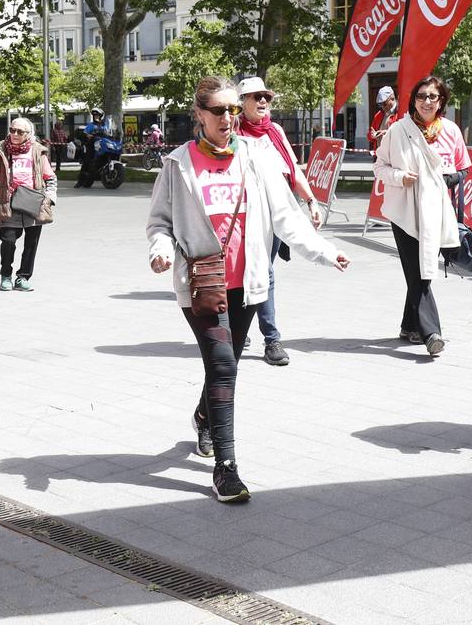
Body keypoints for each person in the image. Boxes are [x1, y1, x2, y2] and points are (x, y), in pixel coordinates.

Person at [147, 75, 350, 502]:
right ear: (199, 114)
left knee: (227, 363)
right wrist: (160, 250)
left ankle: (205, 415)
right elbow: (160, 223)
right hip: (203, 283)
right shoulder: (178, 164)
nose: (228, 118)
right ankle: (226, 468)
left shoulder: (256, 157)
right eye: (218, 110)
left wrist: (324, 251)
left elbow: (286, 217)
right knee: (223, 367)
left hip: (247, 284)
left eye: (233, 110)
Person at [373, 76, 471, 358]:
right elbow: (379, 167)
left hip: (436, 211)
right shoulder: (397, 131)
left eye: (432, 97)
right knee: (419, 271)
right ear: (413, 99)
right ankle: (432, 332)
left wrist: (445, 180)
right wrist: (400, 177)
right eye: (421, 96)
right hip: (404, 211)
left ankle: (409, 326)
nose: (426, 101)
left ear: (441, 101)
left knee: (419, 268)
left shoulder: (451, 131)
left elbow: (464, 168)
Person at [235, 76, 323, 367]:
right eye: (256, 96)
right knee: (245, 270)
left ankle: (271, 340)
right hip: (242, 214)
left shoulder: (275, 132)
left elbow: (294, 171)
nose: (263, 101)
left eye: (267, 97)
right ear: (242, 102)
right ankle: (242, 329)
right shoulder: (232, 134)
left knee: (264, 271)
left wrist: (311, 201)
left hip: (276, 215)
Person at [0, 118, 57, 292]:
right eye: (12, 130)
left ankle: (23, 277)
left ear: (29, 134)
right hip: (8, 202)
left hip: (34, 202)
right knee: (8, 240)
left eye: (20, 132)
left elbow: (50, 178)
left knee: (31, 243)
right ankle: (6, 275)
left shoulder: (37, 151)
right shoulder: (1, 150)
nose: (15, 134)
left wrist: (49, 197)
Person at [75, 108, 106, 187]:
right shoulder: (91, 125)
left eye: (98, 115)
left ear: (101, 116)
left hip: (103, 144)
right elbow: (85, 133)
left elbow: (110, 131)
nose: (96, 116)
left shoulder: (105, 125)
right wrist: (88, 135)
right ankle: (80, 181)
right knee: (87, 161)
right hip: (92, 145)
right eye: (95, 115)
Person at [369, 86, 399, 152]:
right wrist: (371, 135)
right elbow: (369, 134)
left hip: (395, 155)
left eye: (384, 103)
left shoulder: (401, 113)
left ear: (392, 98)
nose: (382, 107)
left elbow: (403, 134)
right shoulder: (378, 115)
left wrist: (386, 132)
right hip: (379, 155)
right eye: (380, 104)